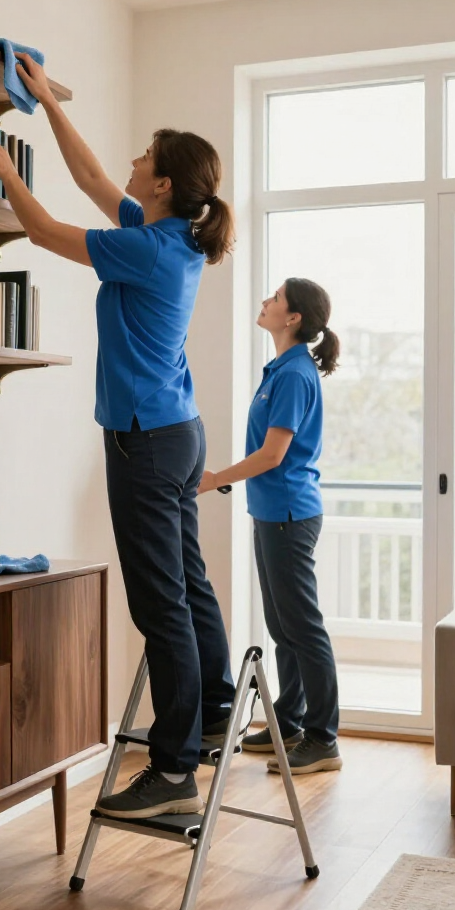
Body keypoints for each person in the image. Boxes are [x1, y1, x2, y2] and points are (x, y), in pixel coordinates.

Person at [0, 54, 237, 819]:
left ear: (161, 183)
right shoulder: (170, 235)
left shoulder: (147, 248)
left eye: (145, 157)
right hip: (175, 434)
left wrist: (0, 168)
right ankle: (213, 710)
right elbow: (92, 180)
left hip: (146, 442)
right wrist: (49, 102)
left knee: (161, 608)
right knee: (187, 587)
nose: (131, 161)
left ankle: (175, 769)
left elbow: (44, 227)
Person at [199, 278, 343, 775]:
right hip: (272, 512)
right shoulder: (280, 369)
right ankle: (291, 721)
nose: (266, 301)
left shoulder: (296, 374)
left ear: (294, 317)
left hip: (289, 514)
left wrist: (217, 478)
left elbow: (273, 454)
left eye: (276, 298)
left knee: (303, 626)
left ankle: (323, 739)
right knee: (283, 627)